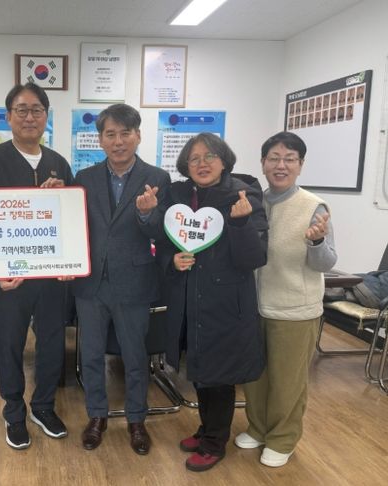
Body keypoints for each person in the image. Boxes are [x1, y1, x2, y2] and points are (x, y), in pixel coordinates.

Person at [156, 133, 268, 472]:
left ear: (224, 161)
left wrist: (241, 223)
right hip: (189, 300)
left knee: (219, 375)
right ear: (185, 165)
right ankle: (206, 429)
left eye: (209, 156)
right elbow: (164, 242)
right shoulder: (179, 196)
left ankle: (215, 443)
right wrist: (172, 260)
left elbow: (255, 258)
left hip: (225, 303)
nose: (202, 164)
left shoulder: (244, 195)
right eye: (194, 158)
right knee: (200, 369)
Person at [0, 82, 73, 449]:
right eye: (21, 110)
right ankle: (14, 412)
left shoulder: (58, 163)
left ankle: (43, 406)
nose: (29, 117)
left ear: (46, 116)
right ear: (8, 116)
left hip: (50, 276)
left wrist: (62, 196)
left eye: (36, 110)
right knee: (9, 346)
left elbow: (70, 220)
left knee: (51, 344)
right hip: (11, 278)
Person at [72, 104, 171, 455]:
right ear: (100, 140)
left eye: (125, 133)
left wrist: (146, 214)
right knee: (91, 354)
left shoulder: (157, 178)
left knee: (134, 356)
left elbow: (162, 232)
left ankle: (136, 420)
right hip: (91, 283)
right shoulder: (84, 178)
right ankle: (96, 416)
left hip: (134, 281)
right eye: (110, 134)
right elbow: (73, 226)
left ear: (138, 136)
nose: (118, 141)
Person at [238, 132, 337, 467]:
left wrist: (316, 242)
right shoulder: (254, 202)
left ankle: (282, 438)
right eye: (274, 158)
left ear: (300, 164)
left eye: (289, 159)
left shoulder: (313, 206)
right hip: (255, 306)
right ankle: (258, 428)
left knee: (288, 382)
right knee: (255, 377)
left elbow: (326, 263)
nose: (281, 165)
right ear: (263, 163)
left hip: (294, 310)